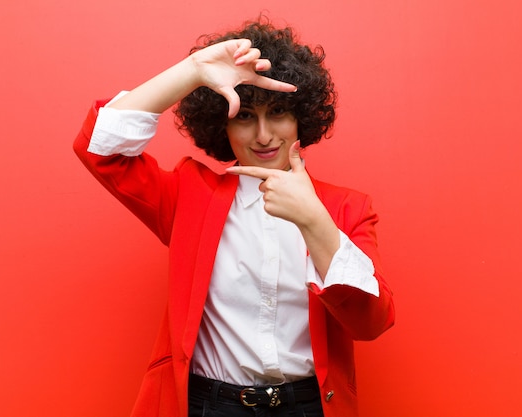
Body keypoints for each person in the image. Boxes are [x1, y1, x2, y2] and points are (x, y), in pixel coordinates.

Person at [73, 17, 395, 417]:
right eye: (244, 115)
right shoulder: (189, 193)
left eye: (278, 112)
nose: (263, 135)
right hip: (209, 406)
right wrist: (192, 73)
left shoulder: (348, 208)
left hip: (306, 407)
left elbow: (372, 323)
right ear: (221, 124)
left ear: (302, 120)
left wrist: (316, 223)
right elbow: (99, 147)